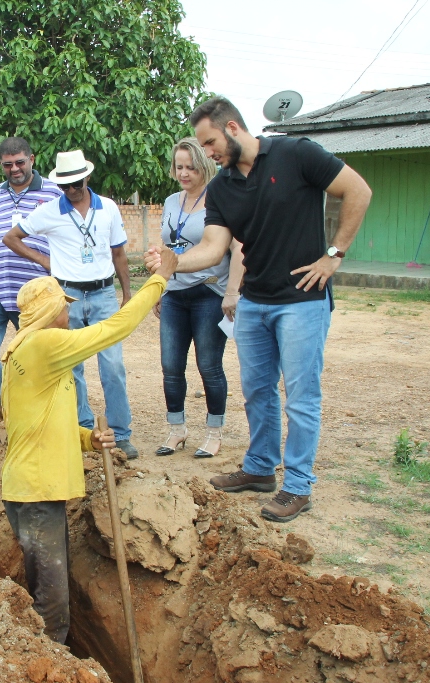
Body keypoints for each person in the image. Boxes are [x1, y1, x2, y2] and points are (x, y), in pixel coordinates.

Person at [146, 96, 371, 523]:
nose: (207, 152)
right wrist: (175, 263)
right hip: (254, 301)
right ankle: (260, 469)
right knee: (257, 392)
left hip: (301, 300)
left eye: (210, 142)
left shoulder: (295, 153)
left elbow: (357, 190)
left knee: (301, 398)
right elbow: (213, 247)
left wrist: (334, 254)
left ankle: (298, 486)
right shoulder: (225, 186)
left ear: (232, 128)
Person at [0, 247, 179, 643]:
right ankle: (50, 663)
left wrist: (87, 439)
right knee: (52, 602)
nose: (68, 315)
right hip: (36, 494)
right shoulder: (45, 344)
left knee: (46, 587)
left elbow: (39, 423)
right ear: (49, 313)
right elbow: (114, 328)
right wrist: (159, 279)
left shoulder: (32, 353)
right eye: (62, 308)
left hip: (33, 489)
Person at [2, 150, 139, 458]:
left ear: (86, 177)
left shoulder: (109, 209)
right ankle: (84, 430)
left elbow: (119, 254)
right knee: (71, 366)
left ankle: (121, 433)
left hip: (103, 294)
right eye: (65, 186)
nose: (71, 190)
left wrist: (127, 293)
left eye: (76, 183)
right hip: (68, 298)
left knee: (113, 365)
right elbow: (11, 238)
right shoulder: (50, 211)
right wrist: (45, 261)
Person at [0, 137, 62, 421]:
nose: (15, 169)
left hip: (37, 290)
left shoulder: (55, 194)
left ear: (32, 159)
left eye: (20, 162)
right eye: (8, 165)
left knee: (37, 347)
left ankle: (39, 402)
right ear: (0, 165)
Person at [155, 137, 241, 459]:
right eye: (179, 167)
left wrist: (232, 292)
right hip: (175, 293)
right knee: (170, 366)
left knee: (208, 365)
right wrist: (159, 286)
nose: (184, 173)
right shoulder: (170, 202)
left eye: (191, 166)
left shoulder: (219, 200)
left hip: (209, 292)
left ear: (204, 166)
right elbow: (167, 248)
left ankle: (214, 432)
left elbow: (237, 249)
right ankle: (177, 429)